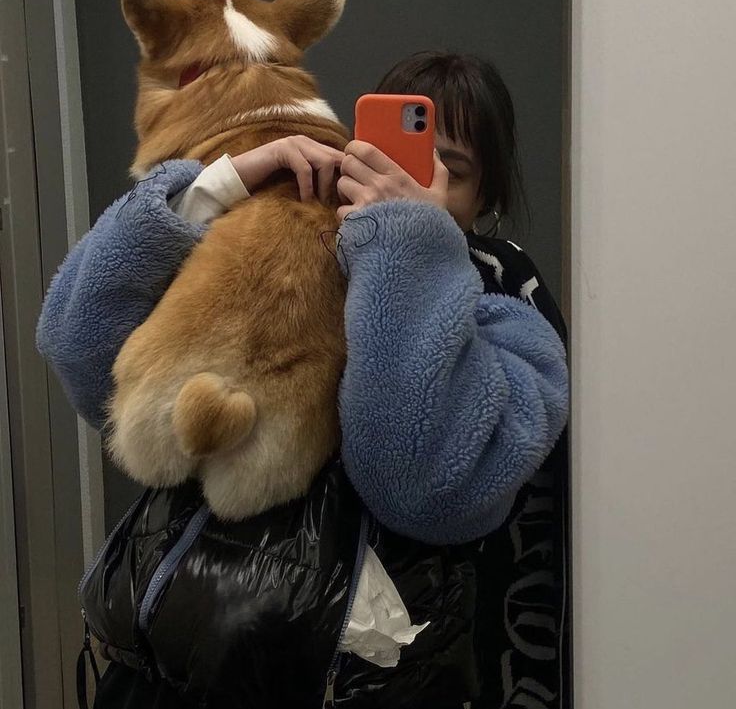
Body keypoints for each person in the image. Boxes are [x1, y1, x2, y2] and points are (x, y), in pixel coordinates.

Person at [37, 51, 569, 709]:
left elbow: (419, 486)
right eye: (389, 151)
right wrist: (215, 188)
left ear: (485, 198)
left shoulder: (514, 318)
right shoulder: (275, 246)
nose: (407, 177)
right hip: (162, 673)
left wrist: (409, 245)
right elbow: (83, 356)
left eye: (448, 170)